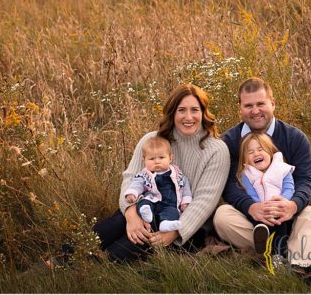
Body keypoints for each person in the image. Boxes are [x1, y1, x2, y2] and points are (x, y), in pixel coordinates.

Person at [213, 77, 311, 286]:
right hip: (252, 218)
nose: (255, 111)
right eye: (248, 105)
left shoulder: (295, 138)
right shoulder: (229, 141)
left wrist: (292, 204)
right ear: (240, 108)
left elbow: (305, 180)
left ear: (272, 104)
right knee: (221, 216)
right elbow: (229, 185)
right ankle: (287, 248)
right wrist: (252, 208)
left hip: (288, 212)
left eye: (261, 104)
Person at [93, 84, 230, 262]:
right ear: (172, 113)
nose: (188, 117)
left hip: (183, 224)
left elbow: (205, 201)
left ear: (203, 113)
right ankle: (62, 257)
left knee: (123, 249)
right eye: (182, 110)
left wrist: (175, 232)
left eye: (195, 110)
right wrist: (131, 215)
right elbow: (131, 179)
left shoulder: (216, 150)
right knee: (117, 222)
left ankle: (94, 266)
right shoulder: (152, 141)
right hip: (146, 208)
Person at [235, 132, 294, 258]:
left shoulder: (281, 169)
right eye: (250, 153)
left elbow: (289, 188)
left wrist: (282, 202)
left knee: (280, 225)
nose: (256, 154)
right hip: (260, 211)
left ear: (270, 152)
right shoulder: (248, 174)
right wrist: (259, 206)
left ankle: (279, 255)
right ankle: (262, 245)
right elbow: (250, 192)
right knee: (259, 222)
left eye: (260, 149)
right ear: (245, 159)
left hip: (280, 208)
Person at [123, 136, 192, 233]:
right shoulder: (145, 174)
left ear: (170, 158)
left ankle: (165, 224)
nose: (157, 161)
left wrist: (185, 202)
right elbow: (137, 184)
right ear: (144, 160)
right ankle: (145, 213)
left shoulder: (177, 174)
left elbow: (185, 187)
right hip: (152, 200)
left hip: (170, 204)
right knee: (143, 203)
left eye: (161, 157)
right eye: (151, 159)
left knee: (173, 212)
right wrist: (132, 193)